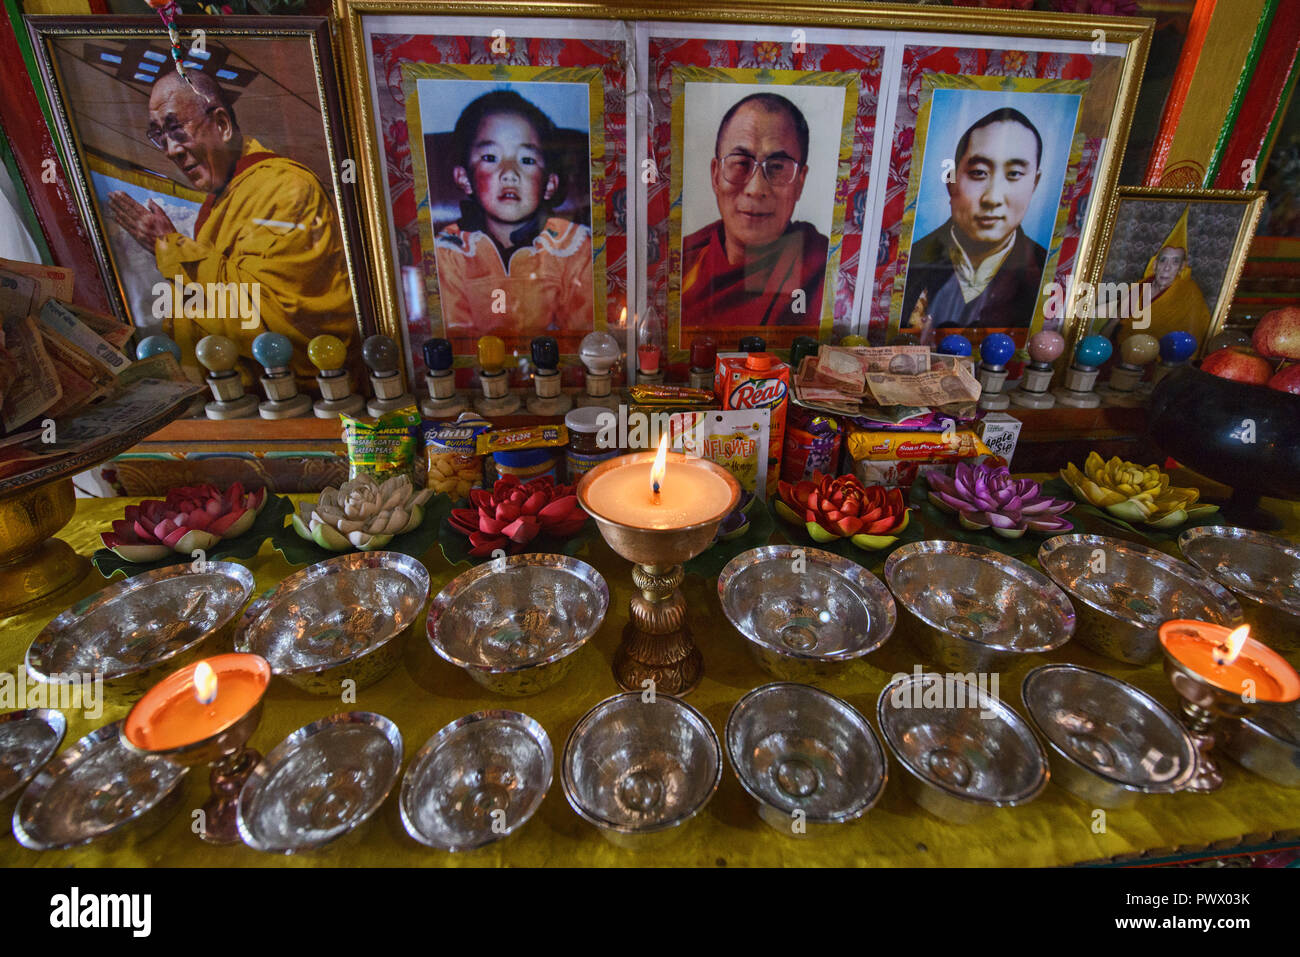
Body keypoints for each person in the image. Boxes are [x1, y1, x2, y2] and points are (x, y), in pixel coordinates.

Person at [107, 69, 354, 381]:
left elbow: (273, 321)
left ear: (222, 125)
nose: (171, 151)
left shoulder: (286, 187)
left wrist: (173, 248)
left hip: (296, 400)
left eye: (177, 129)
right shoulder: (219, 204)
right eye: (159, 136)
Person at [434, 90, 593, 352]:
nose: (510, 173)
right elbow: (457, 345)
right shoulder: (448, 251)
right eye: (490, 158)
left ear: (549, 185)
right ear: (464, 178)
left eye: (527, 160)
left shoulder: (575, 247)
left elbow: (581, 341)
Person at [681, 93, 828, 330]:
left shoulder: (825, 269)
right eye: (740, 163)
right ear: (715, 174)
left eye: (778, 167)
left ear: (800, 182)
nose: (756, 189)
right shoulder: (680, 267)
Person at [901, 107, 1047, 331]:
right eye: (979, 172)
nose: (993, 198)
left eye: (1014, 174)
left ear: (1034, 183)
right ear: (951, 181)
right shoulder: (907, 263)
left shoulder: (1045, 272)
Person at [1134, 206, 1211, 341]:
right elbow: (1114, 321)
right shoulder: (1140, 286)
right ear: (1155, 265)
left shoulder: (1190, 294)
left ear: (1182, 267)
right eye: (1163, 261)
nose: (1167, 268)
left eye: (1175, 262)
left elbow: (1193, 336)